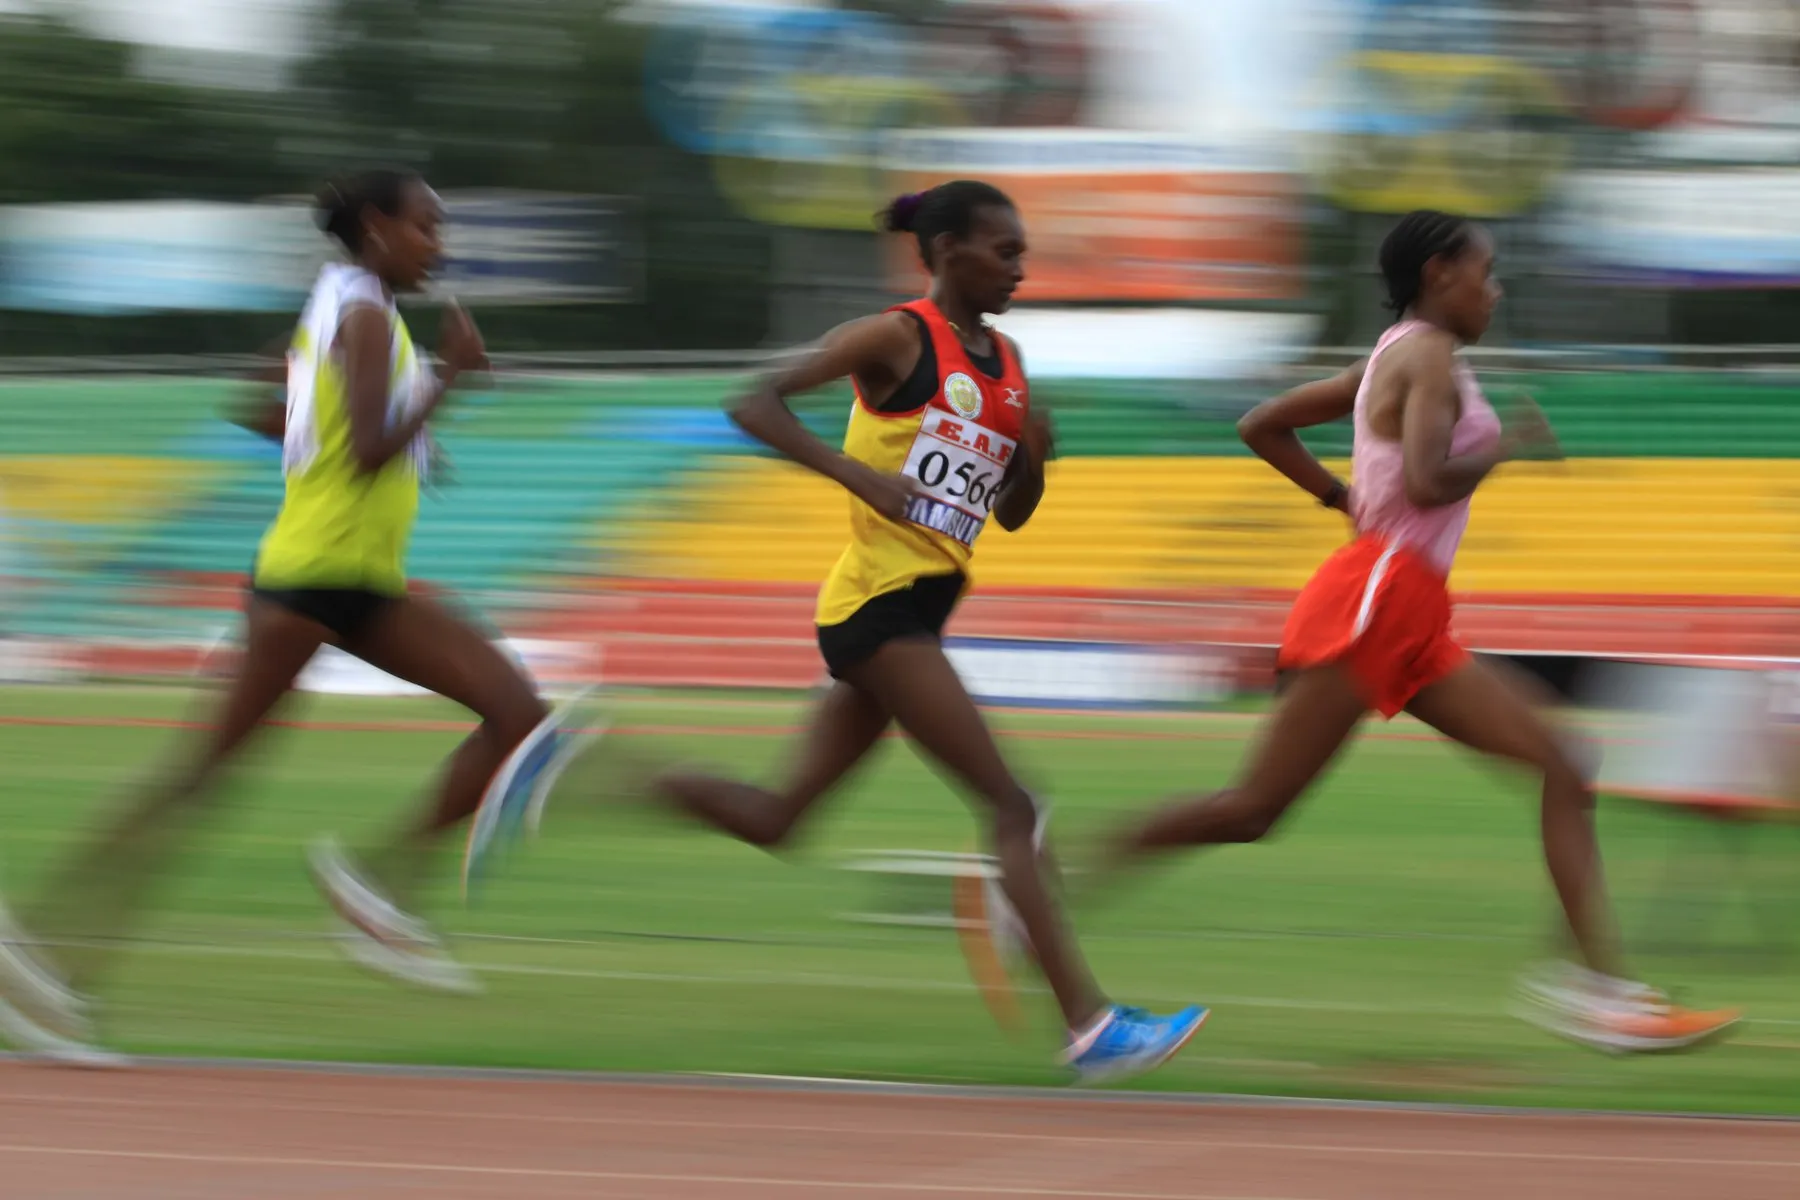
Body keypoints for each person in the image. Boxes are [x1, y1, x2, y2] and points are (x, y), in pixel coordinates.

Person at [1056, 210, 1740, 1054]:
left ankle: (1598, 990)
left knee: (1566, 766)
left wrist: (1340, 498)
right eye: (1485, 273)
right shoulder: (1427, 354)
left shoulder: (1390, 353)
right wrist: (1508, 449)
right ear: (1438, 274)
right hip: (1379, 597)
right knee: (1252, 808)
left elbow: (1261, 424)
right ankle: (1043, 891)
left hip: (1410, 608)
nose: (1496, 289)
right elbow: (1423, 481)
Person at [598, 180, 1206, 1082]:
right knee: (1013, 805)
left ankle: (589, 767)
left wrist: (1034, 454)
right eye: (1005, 251)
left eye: (1022, 253)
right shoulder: (896, 334)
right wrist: (858, 476)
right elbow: (753, 401)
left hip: (920, 606)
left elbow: (1011, 517)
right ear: (950, 249)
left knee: (778, 817)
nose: (1021, 268)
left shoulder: (1007, 360)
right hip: (875, 608)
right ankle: (1090, 1027)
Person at [0, 167, 576, 1062]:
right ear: (378, 228)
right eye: (428, 226)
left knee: (517, 712)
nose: (441, 244)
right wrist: (448, 381)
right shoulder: (358, 317)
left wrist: (403, 436)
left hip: (359, 584)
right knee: (201, 776)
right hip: (309, 585)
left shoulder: (347, 303)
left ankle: (374, 893)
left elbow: (273, 406)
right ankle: (41, 951)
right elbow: (363, 451)